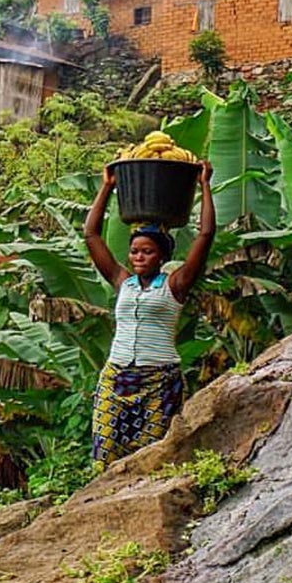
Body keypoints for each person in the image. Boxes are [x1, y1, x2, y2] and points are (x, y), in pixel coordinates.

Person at [83, 160, 215, 469]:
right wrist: (108, 186)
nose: (139, 257)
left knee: (153, 456)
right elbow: (91, 235)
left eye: (148, 251)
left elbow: (205, 235)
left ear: (162, 256)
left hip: (159, 378)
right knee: (105, 451)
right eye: (135, 251)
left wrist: (204, 185)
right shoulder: (123, 281)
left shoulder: (175, 284)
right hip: (116, 375)